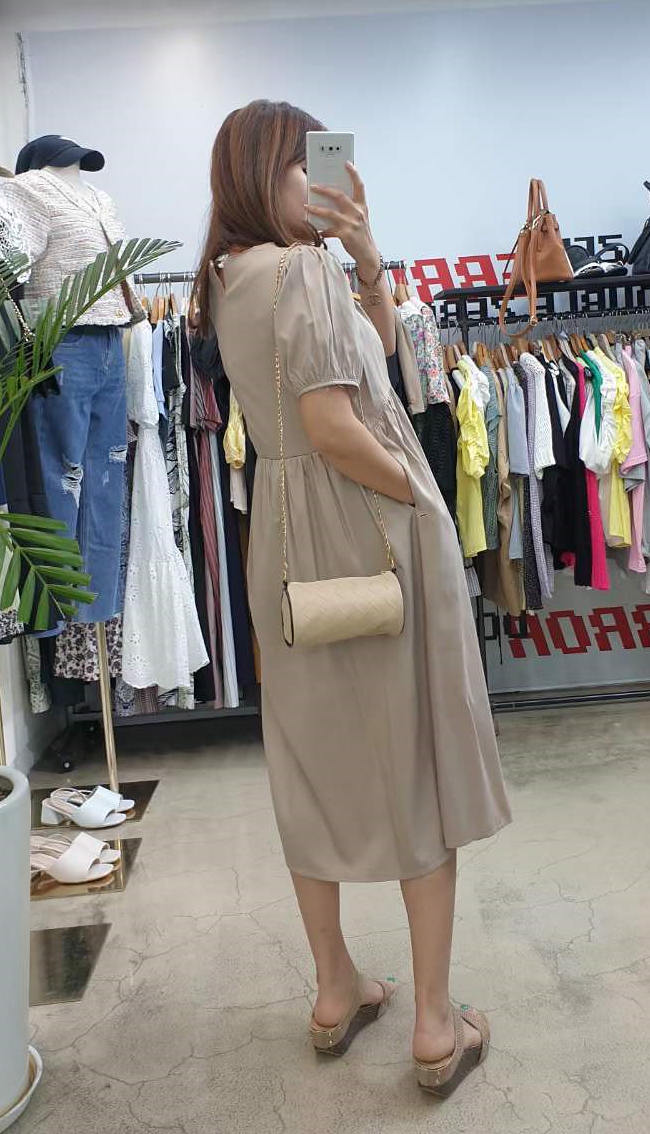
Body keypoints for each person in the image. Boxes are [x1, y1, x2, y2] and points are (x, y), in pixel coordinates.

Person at [198, 100, 511, 1096]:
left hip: (285, 536)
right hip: (365, 525)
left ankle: (335, 990)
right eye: (307, 166)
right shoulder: (298, 271)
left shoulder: (230, 275)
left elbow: (362, 358)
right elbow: (340, 422)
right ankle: (434, 1025)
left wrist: (367, 258)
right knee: (415, 761)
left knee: (311, 761)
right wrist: (416, 493)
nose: (319, 183)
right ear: (268, 172)